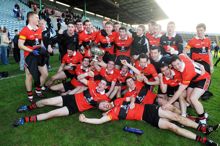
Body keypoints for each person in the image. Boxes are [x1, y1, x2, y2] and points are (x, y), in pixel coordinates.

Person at [79, 97, 219, 146]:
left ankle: (203, 128)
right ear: (103, 109)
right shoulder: (110, 115)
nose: (106, 105)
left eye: (105, 103)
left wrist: (133, 102)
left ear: (107, 101)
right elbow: (98, 121)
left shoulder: (117, 101)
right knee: (172, 127)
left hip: (150, 109)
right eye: (103, 106)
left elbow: (131, 97)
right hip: (147, 118)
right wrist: (86, 120)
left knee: (176, 117)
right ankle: (202, 140)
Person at [13, 78, 111, 127]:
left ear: (106, 87)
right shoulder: (93, 84)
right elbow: (80, 78)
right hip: (70, 98)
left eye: (103, 84)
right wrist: (88, 74)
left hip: (74, 108)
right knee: (45, 101)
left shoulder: (105, 98)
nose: (101, 84)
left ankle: (24, 120)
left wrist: (105, 112)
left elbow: (107, 107)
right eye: (101, 83)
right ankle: (29, 108)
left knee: (51, 114)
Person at [163, 54, 210, 124]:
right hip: (193, 80)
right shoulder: (181, 57)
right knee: (188, 99)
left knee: (193, 98)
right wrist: (195, 62)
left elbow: (179, 91)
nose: (177, 67)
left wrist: (168, 103)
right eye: (174, 65)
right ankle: (203, 113)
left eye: (178, 64)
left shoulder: (187, 72)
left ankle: (203, 120)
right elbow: (182, 54)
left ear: (181, 61)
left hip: (204, 78)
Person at [18, 11, 47, 102]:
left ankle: (38, 90)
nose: (38, 19)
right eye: (36, 17)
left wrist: (43, 48)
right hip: (29, 55)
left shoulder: (38, 29)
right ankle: (30, 95)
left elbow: (39, 41)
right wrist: (32, 51)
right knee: (29, 75)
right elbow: (20, 45)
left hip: (39, 54)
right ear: (30, 18)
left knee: (45, 74)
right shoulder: (24, 30)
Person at [185, 23, 213, 100]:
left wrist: (211, 65)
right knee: (195, 78)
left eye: (201, 30)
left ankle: (204, 92)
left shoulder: (208, 40)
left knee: (207, 78)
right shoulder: (192, 41)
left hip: (206, 63)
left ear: (204, 30)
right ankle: (193, 93)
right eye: (198, 30)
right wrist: (190, 60)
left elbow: (209, 53)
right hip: (197, 63)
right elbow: (184, 51)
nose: (199, 32)